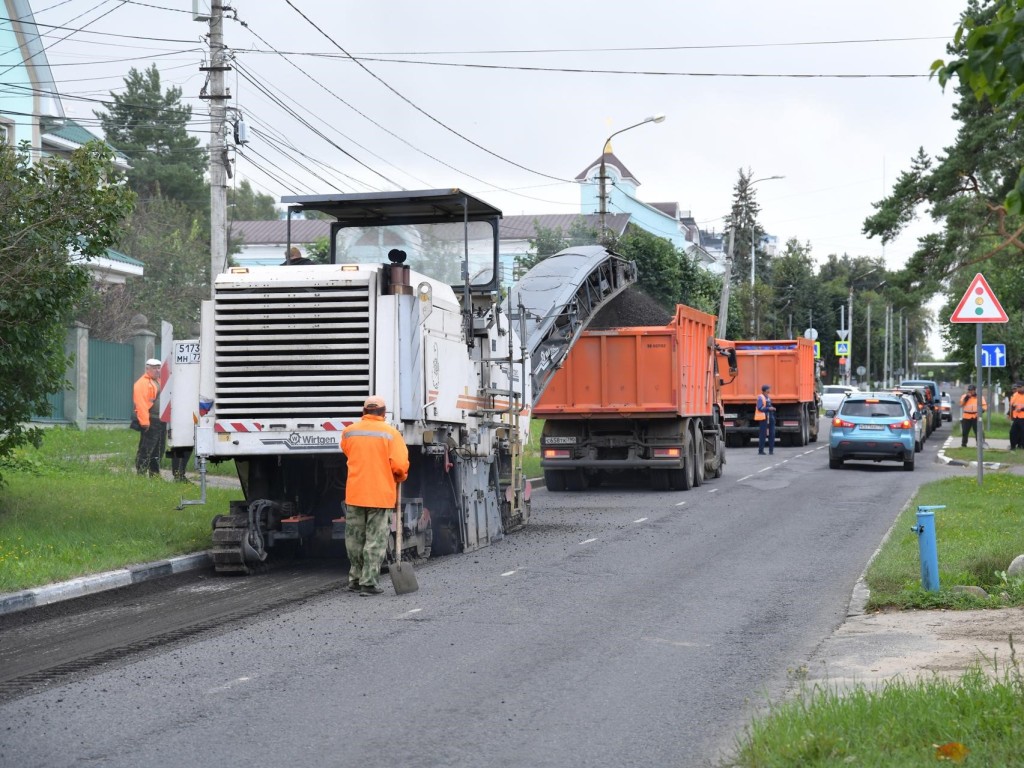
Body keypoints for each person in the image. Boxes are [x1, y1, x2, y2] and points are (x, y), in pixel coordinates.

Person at [340, 395, 410, 596]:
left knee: (354, 540)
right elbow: (399, 465)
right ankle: (368, 583)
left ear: (364, 412)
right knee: (375, 540)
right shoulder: (391, 434)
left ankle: (354, 579)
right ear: (383, 413)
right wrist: (400, 475)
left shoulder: (349, 432)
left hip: (355, 494)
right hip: (380, 496)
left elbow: (347, 452)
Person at [133, 358, 165, 476]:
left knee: (158, 449)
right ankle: (141, 473)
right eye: (154, 368)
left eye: (158, 368)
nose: (157, 370)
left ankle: (154, 474)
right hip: (151, 420)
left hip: (160, 420)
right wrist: (145, 423)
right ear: (147, 369)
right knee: (146, 449)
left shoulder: (159, 381)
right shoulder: (142, 383)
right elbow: (141, 404)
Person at [755, 383, 776, 455]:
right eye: (768, 389)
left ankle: (771, 451)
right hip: (764, 418)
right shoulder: (761, 398)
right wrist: (769, 408)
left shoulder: (768, 397)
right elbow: (759, 408)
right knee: (763, 434)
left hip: (770, 417)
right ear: (764, 391)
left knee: (772, 434)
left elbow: (769, 405)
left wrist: (772, 408)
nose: (769, 391)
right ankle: (761, 451)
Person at [1008, 382, 1024, 450]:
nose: (1018, 388)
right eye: (1017, 387)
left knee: (1022, 432)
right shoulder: (1015, 395)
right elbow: (1012, 405)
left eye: (1020, 387)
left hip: (1023, 417)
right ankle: (1013, 446)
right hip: (1016, 417)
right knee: (1012, 432)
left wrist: (1021, 409)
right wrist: (1010, 415)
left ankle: (1021, 446)